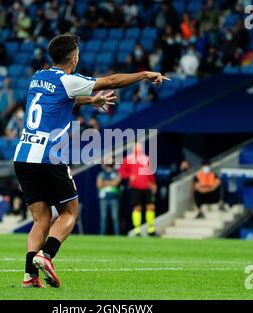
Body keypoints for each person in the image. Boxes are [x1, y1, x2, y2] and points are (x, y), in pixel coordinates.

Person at [13, 33, 169, 288]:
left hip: (22, 156)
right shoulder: (69, 79)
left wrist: (89, 101)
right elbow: (112, 81)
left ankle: (30, 275)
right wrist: (144, 74)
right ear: (74, 57)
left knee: (40, 219)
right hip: (48, 156)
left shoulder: (37, 77)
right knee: (69, 212)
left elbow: (60, 100)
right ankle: (47, 254)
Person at [119, 143, 157, 236]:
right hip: (135, 187)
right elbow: (122, 171)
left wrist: (153, 183)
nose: (138, 150)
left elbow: (150, 173)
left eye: (140, 148)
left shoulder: (146, 159)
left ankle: (150, 229)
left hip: (147, 186)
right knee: (137, 208)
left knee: (150, 207)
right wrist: (129, 176)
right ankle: (137, 230)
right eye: (137, 148)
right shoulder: (128, 159)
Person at [97, 163, 121, 235]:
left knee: (115, 218)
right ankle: (102, 236)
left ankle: (117, 236)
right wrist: (111, 182)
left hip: (114, 198)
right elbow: (99, 185)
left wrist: (104, 182)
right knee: (103, 218)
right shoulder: (101, 174)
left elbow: (116, 183)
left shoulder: (116, 173)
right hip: (104, 199)